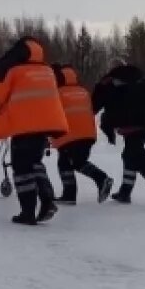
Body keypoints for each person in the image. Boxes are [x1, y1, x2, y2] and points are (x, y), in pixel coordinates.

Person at [0, 37, 69, 225]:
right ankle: (47, 199)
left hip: (24, 125)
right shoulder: (47, 70)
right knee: (35, 162)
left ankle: (27, 211)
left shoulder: (15, 71)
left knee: (22, 168)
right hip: (46, 124)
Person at [93, 58, 145, 208]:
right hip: (144, 125)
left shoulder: (109, 83)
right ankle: (125, 191)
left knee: (139, 157)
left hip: (127, 126)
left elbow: (95, 105)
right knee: (130, 155)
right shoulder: (143, 81)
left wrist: (106, 125)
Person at [51, 62, 114, 205]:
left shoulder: (57, 93)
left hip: (69, 135)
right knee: (68, 162)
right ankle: (69, 194)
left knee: (73, 163)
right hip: (87, 135)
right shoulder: (83, 91)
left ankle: (101, 179)